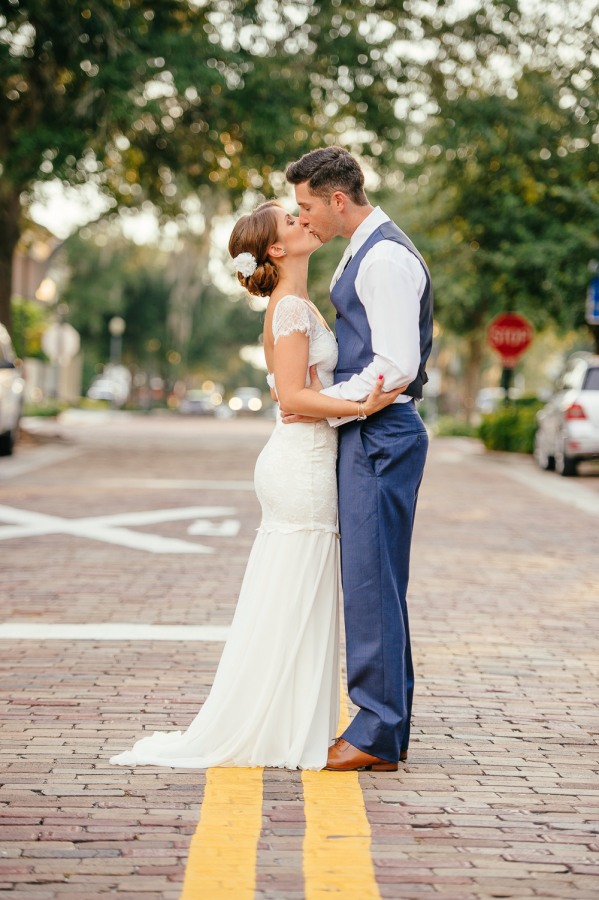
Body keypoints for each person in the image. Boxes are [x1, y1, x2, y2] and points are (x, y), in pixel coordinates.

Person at [110, 200, 401, 771]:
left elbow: (291, 393)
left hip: (307, 456)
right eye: (291, 221)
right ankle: (276, 725)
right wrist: (360, 404)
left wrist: (328, 402)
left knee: (299, 593)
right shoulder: (289, 309)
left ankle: (293, 722)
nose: (303, 221)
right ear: (275, 247)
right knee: (295, 593)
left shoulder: (298, 305)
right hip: (302, 466)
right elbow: (292, 398)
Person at [284, 147, 433, 773]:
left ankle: (375, 731)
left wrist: (322, 404)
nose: (303, 218)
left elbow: (394, 365)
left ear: (336, 200)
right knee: (376, 580)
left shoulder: (386, 258)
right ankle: (385, 724)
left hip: (380, 431)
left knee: (371, 582)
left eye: (306, 206)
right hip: (372, 428)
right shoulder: (366, 249)